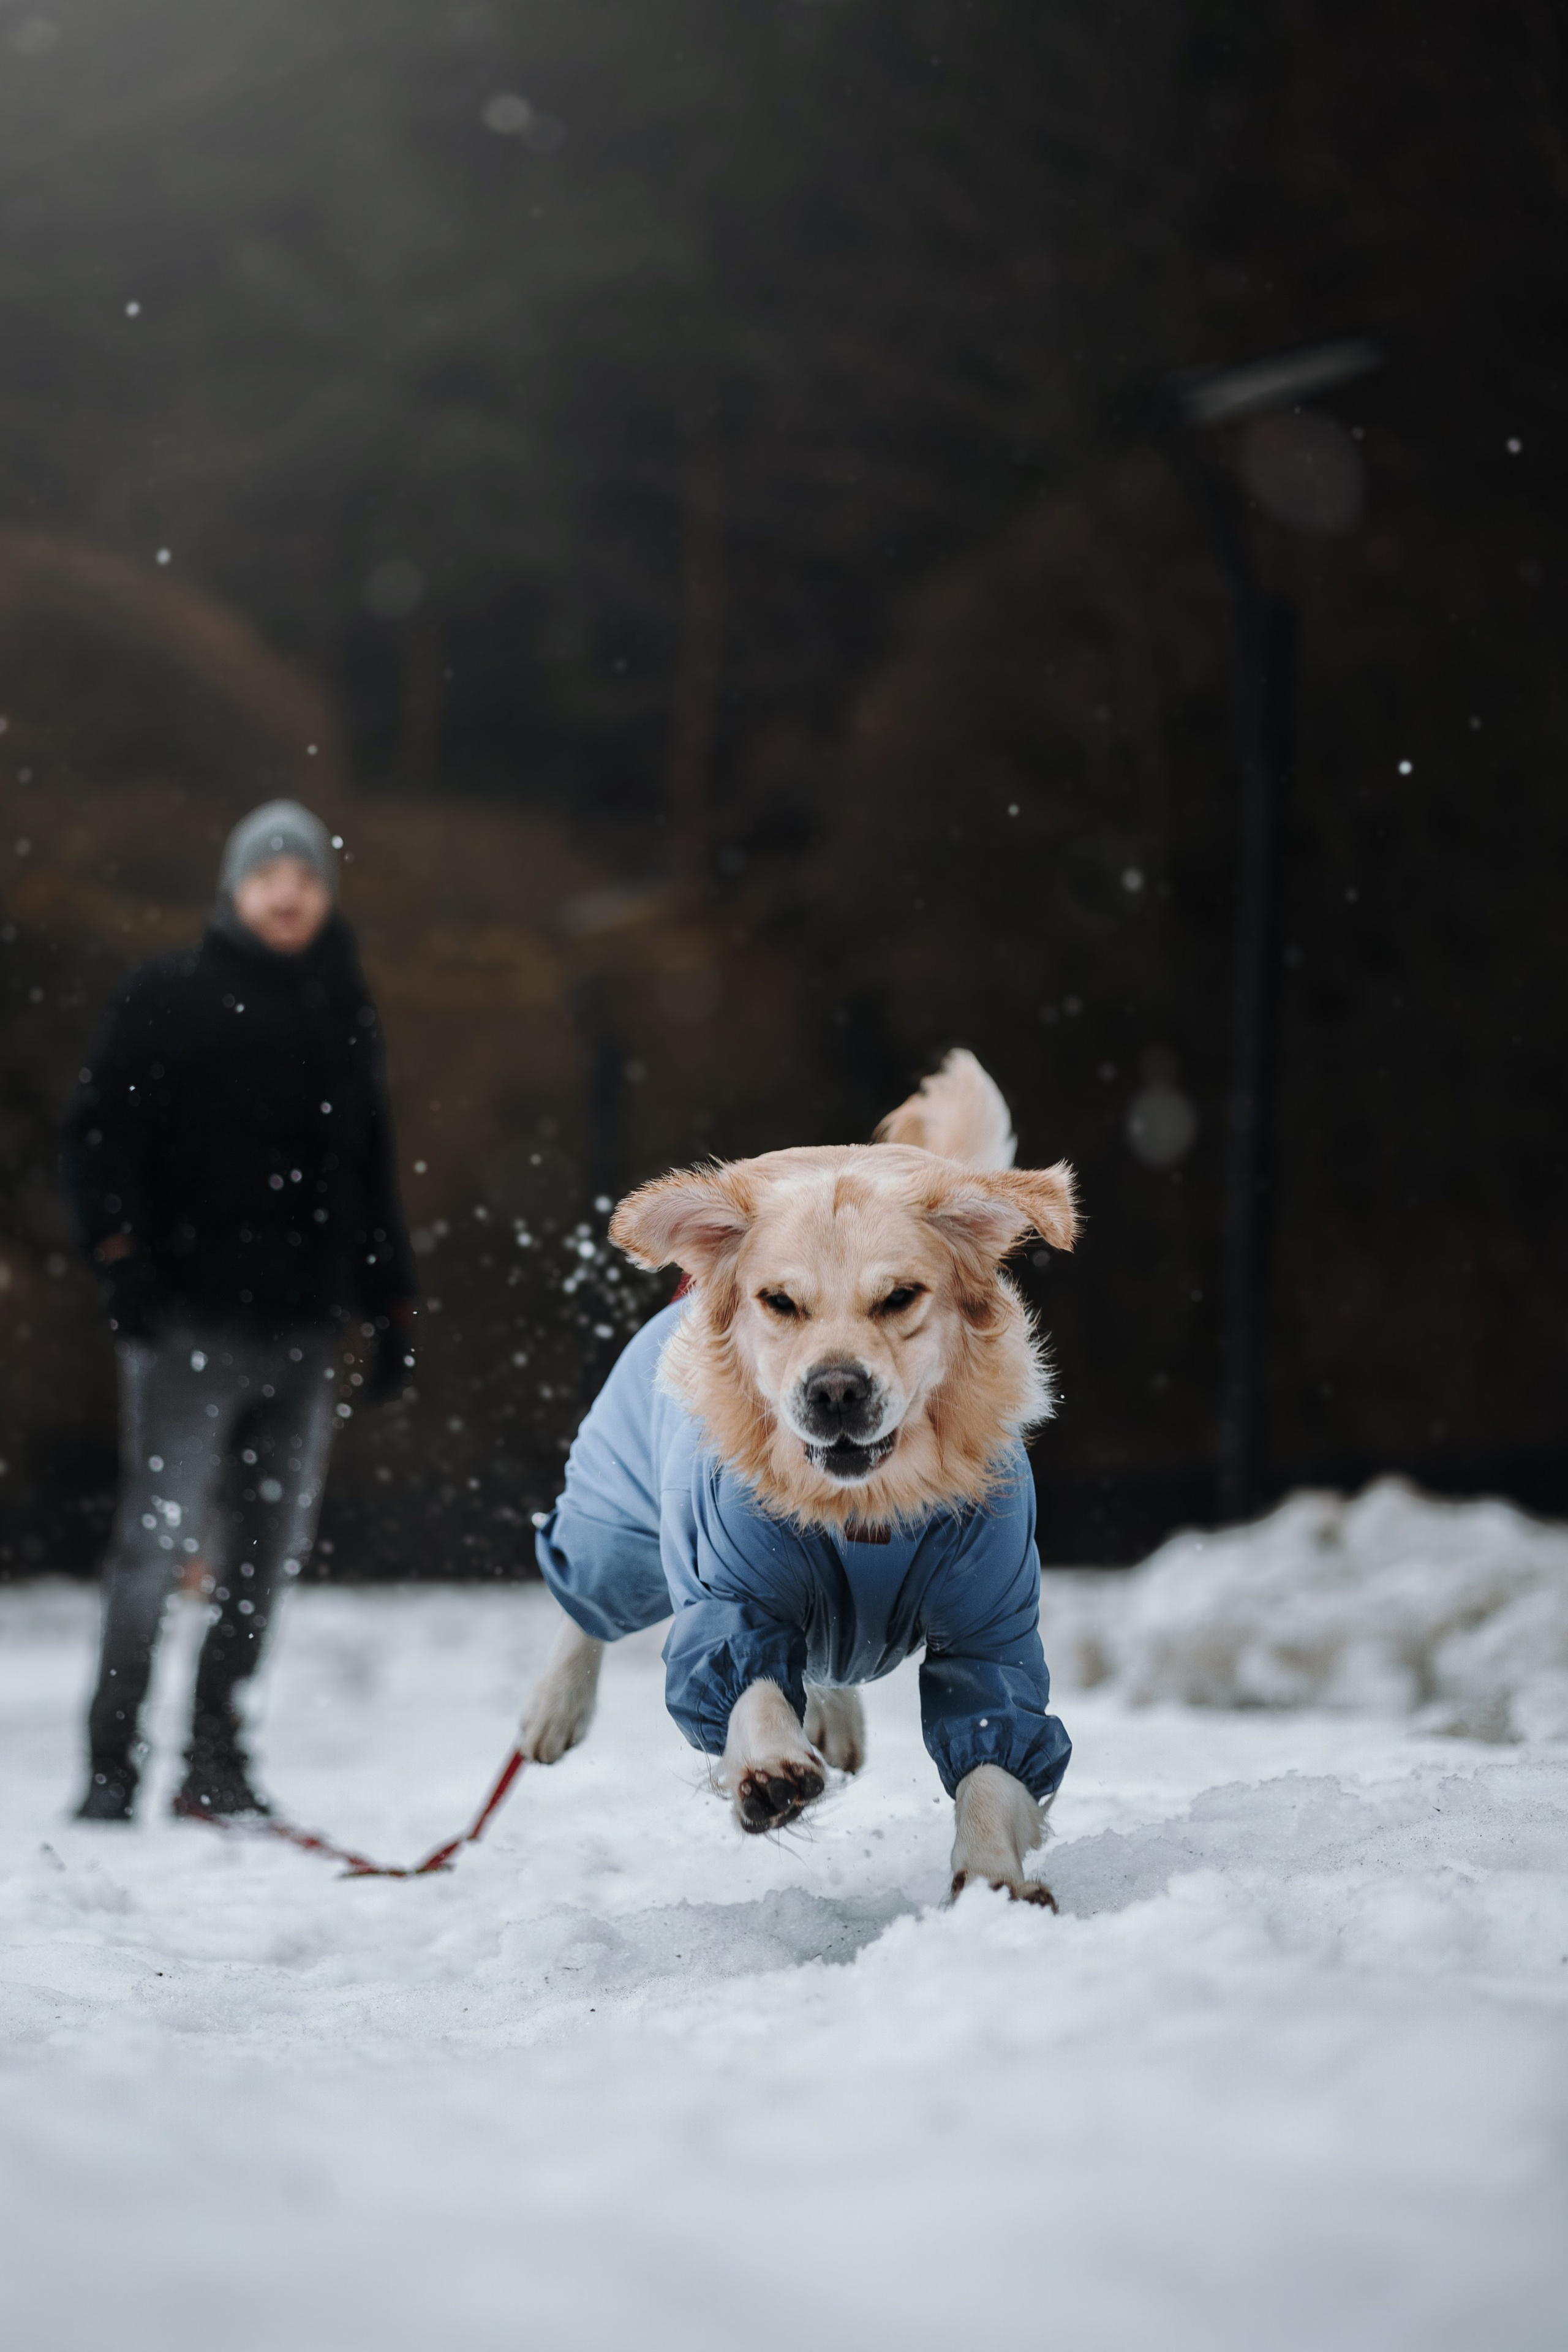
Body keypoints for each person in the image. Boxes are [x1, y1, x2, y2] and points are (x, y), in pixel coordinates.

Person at [62, 801, 417, 1822]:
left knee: (263, 1562)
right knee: (156, 1549)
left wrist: (390, 1298)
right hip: (186, 1326)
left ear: (325, 893)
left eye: (304, 874)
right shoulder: (166, 995)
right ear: (233, 887)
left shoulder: (341, 1012)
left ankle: (214, 1763)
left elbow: (366, 1164)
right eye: (268, 872)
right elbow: (98, 1135)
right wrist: (119, 1252)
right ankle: (109, 1768)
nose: (288, 890)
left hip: (303, 1330)